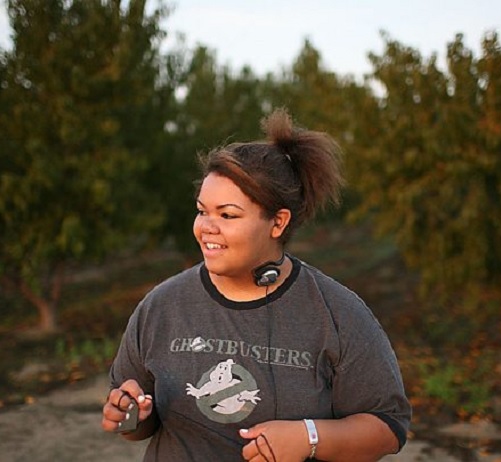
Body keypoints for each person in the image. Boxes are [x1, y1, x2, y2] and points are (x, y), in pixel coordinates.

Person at [101, 108, 411, 461]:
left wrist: (309, 437)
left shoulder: (336, 312)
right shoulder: (161, 305)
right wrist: (129, 416)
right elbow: (139, 424)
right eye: (202, 210)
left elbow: (389, 426)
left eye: (227, 215)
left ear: (277, 223)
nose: (206, 227)